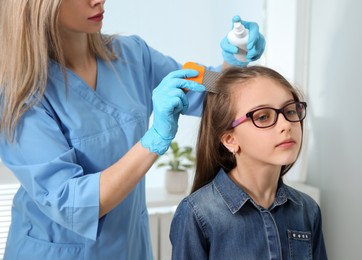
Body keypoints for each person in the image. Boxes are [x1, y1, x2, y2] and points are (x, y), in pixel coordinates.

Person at [0, 0, 265, 259]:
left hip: (129, 246)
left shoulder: (132, 54)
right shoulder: (24, 96)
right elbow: (72, 203)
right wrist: (154, 139)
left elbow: (208, 89)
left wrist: (234, 60)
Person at [170, 66, 328, 259]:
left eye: (290, 111)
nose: (286, 125)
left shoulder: (307, 210)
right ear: (230, 140)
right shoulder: (197, 214)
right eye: (263, 116)